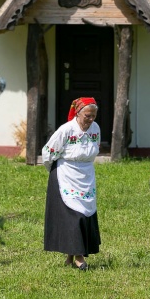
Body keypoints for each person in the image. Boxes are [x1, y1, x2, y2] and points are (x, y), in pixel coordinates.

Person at [42, 97, 101, 270]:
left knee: (85, 212)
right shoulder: (66, 130)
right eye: (87, 116)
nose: (90, 120)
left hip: (86, 173)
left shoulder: (95, 129)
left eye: (93, 116)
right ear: (78, 113)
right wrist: (54, 172)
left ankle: (70, 255)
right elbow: (48, 152)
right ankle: (79, 256)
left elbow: (95, 147)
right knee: (73, 215)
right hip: (67, 173)